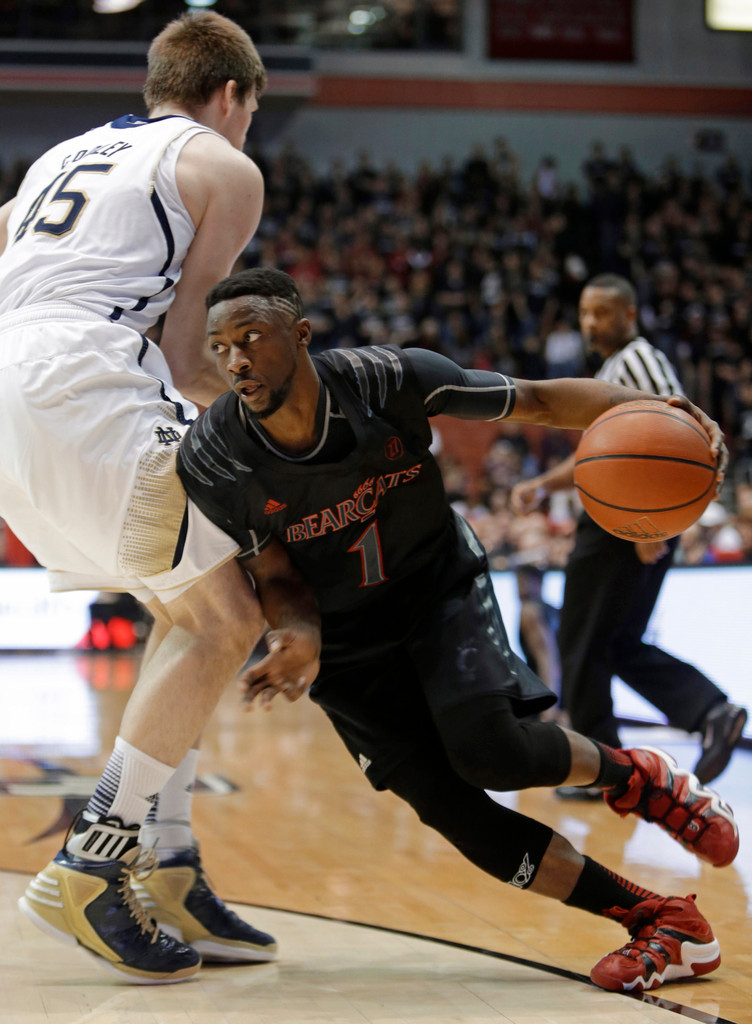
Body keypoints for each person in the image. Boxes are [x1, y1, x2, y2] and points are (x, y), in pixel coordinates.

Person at [177, 267, 738, 994]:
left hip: (436, 585)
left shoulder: (388, 380)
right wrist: (297, 636)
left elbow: (536, 399)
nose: (235, 361)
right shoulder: (216, 457)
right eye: (219, 347)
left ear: (302, 335)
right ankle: (663, 921)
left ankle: (643, 781)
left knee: (491, 752)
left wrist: (664, 411)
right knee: (452, 811)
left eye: (249, 338)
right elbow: (278, 577)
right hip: (346, 644)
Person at [0, 12, 309, 984]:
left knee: (181, 611)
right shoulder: (221, 162)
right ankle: (92, 866)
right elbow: (187, 358)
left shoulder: (59, 156)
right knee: (226, 617)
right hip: (91, 380)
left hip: (15, 382)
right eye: (248, 113)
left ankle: (169, 863)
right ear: (232, 97)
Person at [511, 275, 747, 793]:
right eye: (585, 313)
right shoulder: (612, 371)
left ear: (630, 315)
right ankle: (711, 710)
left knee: (580, 638)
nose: (591, 322)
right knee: (613, 643)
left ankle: (601, 772)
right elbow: (604, 457)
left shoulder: (637, 361)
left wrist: (648, 520)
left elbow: (671, 439)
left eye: (602, 312)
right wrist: (542, 485)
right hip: (635, 520)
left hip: (627, 525)